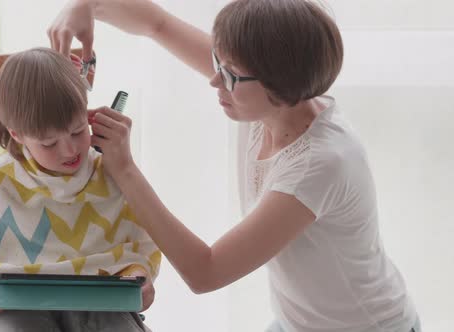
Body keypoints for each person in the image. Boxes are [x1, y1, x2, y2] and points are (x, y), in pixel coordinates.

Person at [48, 0, 422, 331]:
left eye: (228, 75)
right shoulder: (268, 89)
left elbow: (205, 271)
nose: (214, 80)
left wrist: (125, 168)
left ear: (279, 84)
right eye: (217, 63)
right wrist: (87, 5)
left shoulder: (320, 163)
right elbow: (156, 24)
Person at [0, 47, 160, 331]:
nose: (69, 149)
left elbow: (140, 245)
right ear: (17, 134)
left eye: (78, 131)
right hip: (16, 308)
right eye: (49, 143)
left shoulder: (111, 172)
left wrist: (139, 276)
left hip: (100, 302)